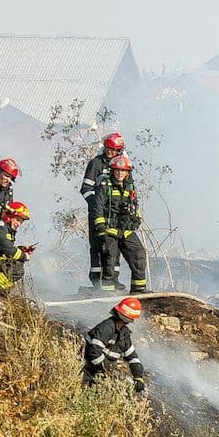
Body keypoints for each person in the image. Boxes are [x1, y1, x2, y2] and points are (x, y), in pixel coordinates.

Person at [92, 154, 149, 293]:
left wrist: (136, 218)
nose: (119, 173)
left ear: (127, 172)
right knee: (109, 261)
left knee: (139, 254)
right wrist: (101, 227)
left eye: (123, 171)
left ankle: (138, 290)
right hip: (109, 230)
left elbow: (134, 206)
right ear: (112, 171)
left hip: (126, 230)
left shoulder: (130, 187)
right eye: (117, 170)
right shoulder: (105, 186)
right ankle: (107, 293)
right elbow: (97, 207)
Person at [80, 131, 125, 287]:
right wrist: (97, 207)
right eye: (107, 148)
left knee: (115, 246)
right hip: (98, 214)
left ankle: (113, 278)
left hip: (116, 215)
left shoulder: (122, 165)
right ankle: (97, 282)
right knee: (98, 245)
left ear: (119, 150)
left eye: (113, 149)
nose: (109, 152)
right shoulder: (96, 163)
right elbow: (85, 189)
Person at [83, 295, 146, 393]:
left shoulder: (123, 334)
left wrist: (138, 377)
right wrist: (107, 369)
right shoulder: (106, 328)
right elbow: (93, 352)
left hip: (102, 377)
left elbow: (132, 357)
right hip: (88, 373)